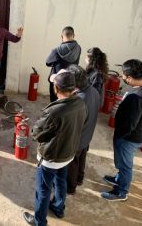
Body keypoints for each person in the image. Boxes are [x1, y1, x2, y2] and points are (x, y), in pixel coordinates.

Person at [23, 69, 87, 226]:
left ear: (56, 88)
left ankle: (39, 221)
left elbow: (37, 134)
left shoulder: (54, 111)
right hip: (68, 153)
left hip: (52, 158)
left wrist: (35, 129)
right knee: (60, 181)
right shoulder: (80, 103)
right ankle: (59, 208)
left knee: (43, 190)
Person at [101, 59, 142, 201]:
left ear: (129, 77)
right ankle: (119, 179)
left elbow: (129, 125)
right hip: (139, 134)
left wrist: (119, 137)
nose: (122, 78)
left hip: (129, 138)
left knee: (125, 165)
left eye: (123, 76)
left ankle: (121, 192)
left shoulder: (137, 98)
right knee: (123, 163)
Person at [66, 65, 100, 195]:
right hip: (88, 134)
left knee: (72, 163)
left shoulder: (78, 100)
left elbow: (72, 124)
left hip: (77, 139)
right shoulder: (94, 91)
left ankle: (71, 187)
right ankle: (80, 178)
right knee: (82, 157)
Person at [46, 26, 81, 102]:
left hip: (57, 80)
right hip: (70, 80)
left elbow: (48, 62)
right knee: (66, 102)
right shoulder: (78, 48)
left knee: (54, 101)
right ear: (74, 35)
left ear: (61, 36)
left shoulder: (56, 50)